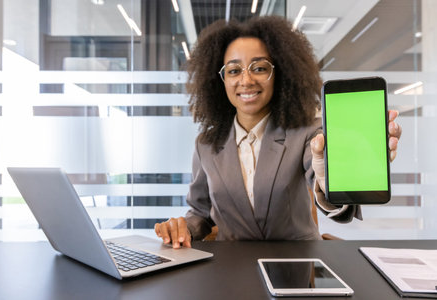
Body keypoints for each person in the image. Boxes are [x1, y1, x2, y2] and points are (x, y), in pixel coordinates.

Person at [154, 16, 401, 248]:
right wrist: (182, 227)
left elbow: (323, 178)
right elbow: (200, 212)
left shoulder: (307, 132)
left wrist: (334, 182)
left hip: (297, 270)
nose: (246, 80)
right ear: (220, 80)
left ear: (279, 74)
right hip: (230, 272)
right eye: (233, 70)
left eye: (259, 68)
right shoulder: (206, 144)